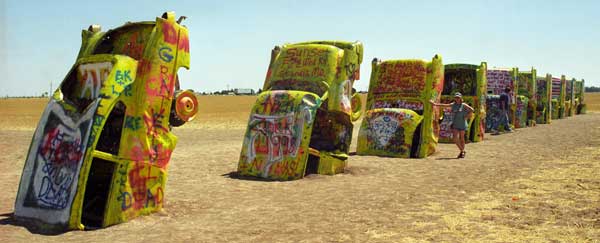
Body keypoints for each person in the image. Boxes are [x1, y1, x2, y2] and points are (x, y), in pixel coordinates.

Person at [431, 92, 474, 158]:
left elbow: (472, 110)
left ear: (460, 98)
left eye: (458, 97)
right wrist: (435, 104)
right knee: (455, 138)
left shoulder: (463, 105)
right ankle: (462, 150)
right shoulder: (453, 104)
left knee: (462, 138)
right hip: (455, 123)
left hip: (462, 124)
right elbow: (444, 105)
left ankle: (461, 152)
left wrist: (467, 116)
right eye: (456, 97)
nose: (457, 99)